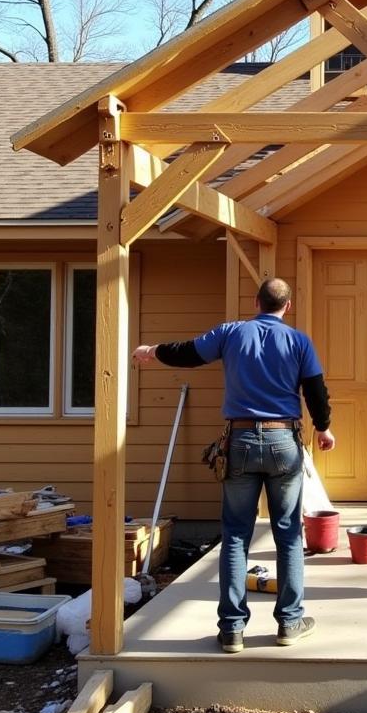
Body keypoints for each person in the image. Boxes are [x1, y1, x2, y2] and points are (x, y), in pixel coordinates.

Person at [132, 277, 335, 653]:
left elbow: (188, 352)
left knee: (236, 535)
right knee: (288, 535)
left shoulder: (230, 333)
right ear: (286, 308)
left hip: (239, 441)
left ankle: (231, 630)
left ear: (256, 302)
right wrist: (323, 429)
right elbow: (315, 390)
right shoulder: (298, 341)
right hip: (283, 442)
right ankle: (289, 623)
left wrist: (151, 350)